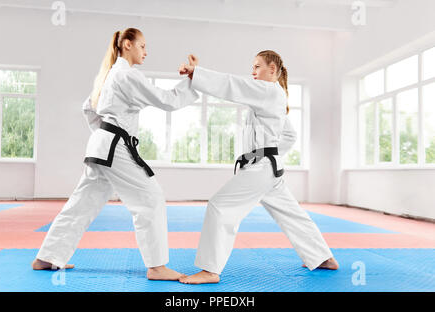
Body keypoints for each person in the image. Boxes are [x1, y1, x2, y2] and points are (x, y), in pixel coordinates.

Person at [32, 28, 199, 281]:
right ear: (128, 45)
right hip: (114, 148)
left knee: (81, 204)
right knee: (150, 198)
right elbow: (167, 100)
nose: (146, 51)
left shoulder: (110, 74)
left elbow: (87, 108)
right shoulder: (128, 75)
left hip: (100, 146)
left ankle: (47, 256)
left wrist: (102, 135)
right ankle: (157, 266)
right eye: (142, 46)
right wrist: (192, 79)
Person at [178, 51, 338, 284]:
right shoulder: (272, 96)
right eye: (252, 67)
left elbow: (232, 85)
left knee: (219, 206)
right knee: (292, 214)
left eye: (257, 67)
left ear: (272, 69)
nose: (252, 72)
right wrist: (271, 153)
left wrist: (197, 74)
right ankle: (323, 257)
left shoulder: (268, 91)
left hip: (262, 168)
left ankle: (210, 270)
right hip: (268, 169)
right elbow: (290, 135)